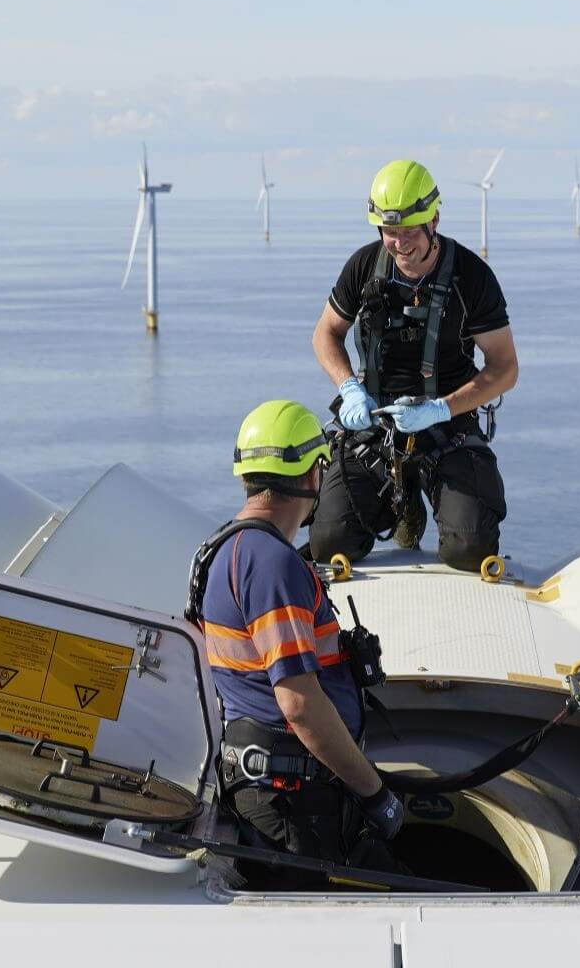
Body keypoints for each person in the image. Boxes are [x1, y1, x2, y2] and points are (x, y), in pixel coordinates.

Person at [187, 399, 405, 876]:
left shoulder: (224, 549)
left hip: (274, 792)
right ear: (312, 475)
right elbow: (300, 704)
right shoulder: (271, 565)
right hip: (294, 805)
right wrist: (375, 794)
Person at [311, 158, 520, 572]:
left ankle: (422, 489)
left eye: (410, 232)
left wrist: (441, 409)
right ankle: (398, 503)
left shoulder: (471, 278)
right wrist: (348, 387)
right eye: (390, 233)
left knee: (470, 550)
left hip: (448, 428)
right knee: (330, 542)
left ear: (434, 221)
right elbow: (325, 334)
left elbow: (504, 368)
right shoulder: (364, 268)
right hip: (374, 429)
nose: (401, 243)